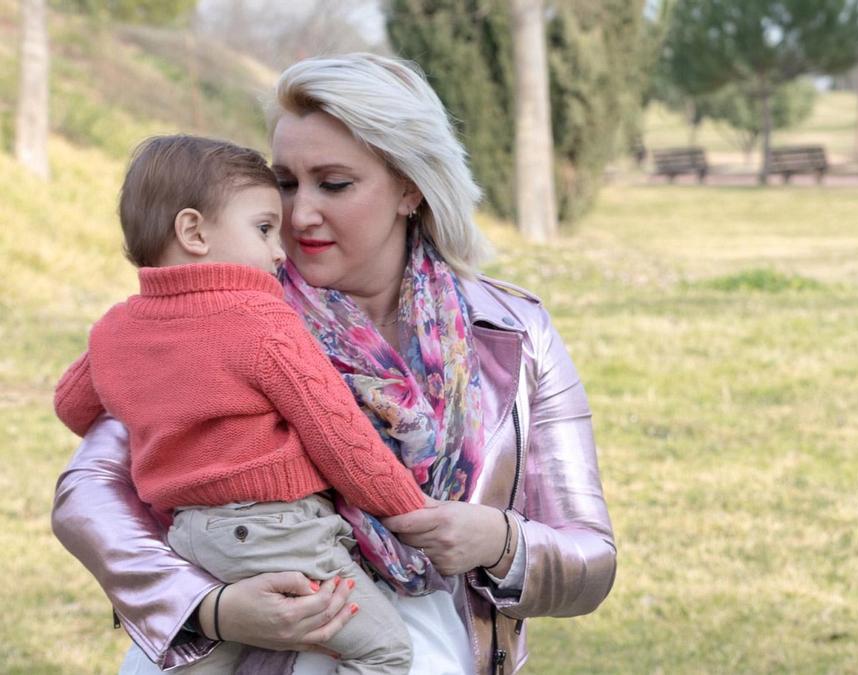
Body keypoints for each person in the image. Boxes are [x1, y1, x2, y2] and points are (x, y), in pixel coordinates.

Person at [51, 53, 616, 674]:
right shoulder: (222, 308)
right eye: (285, 183)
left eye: (334, 184)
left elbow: (591, 558)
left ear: (410, 187)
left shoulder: (513, 330)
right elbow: (88, 495)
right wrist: (210, 608)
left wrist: (499, 541)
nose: (298, 215)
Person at [53, 134, 430, 673]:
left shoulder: (115, 328)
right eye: (263, 228)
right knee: (384, 649)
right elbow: (339, 438)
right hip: (282, 534)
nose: (281, 250)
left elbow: (72, 406)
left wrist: (154, 396)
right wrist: (414, 513)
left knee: (200, 661)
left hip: (189, 541)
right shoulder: (261, 318)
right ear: (193, 232)